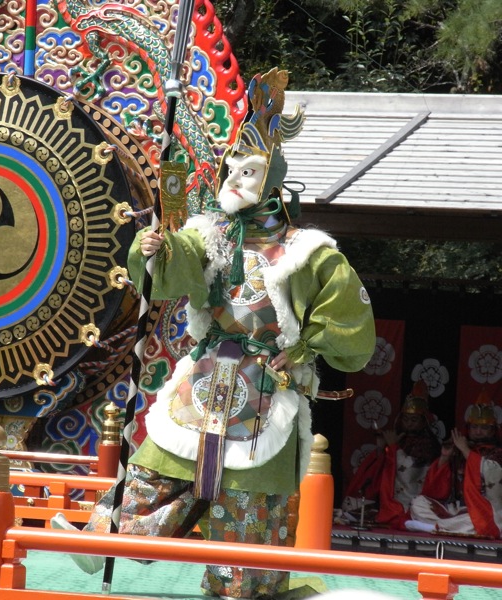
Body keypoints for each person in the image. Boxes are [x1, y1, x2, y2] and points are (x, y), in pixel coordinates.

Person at [52, 68, 376, 599]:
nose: (234, 180)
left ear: (273, 182)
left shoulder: (308, 252)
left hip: (268, 382)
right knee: (157, 463)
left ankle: (245, 587)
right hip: (204, 373)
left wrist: (303, 347)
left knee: (249, 499)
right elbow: (178, 266)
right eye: (231, 169)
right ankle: (107, 538)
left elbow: (349, 323)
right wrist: (157, 249)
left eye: (248, 172)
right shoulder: (209, 232)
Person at [340, 380, 441, 529]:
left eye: (414, 420)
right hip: (392, 505)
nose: (409, 423)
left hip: (417, 504)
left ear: (424, 422)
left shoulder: (431, 445)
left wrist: (393, 448)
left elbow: (415, 474)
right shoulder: (397, 440)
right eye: (406, 419)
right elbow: (380, 476)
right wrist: (382, 448)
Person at [405, 391, 502, 538]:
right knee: (418, 503)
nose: (478, 431)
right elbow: (438, 490)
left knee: (487, 520)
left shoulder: (497, 452)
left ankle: (434, 527)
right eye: (474, 427)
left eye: (483, 428)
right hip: (456, 509)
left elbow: (493, 474)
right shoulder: (458, 451)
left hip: (485, 509)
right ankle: (443, 526)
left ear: (493, 430)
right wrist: (445, 457)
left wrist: (465, 450)